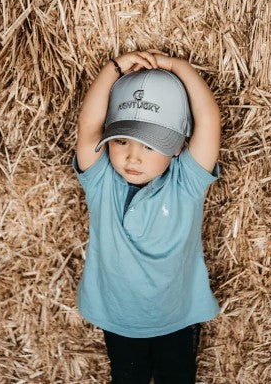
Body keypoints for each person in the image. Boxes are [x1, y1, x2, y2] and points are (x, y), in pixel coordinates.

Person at [73, 50, 221, 384]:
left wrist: (180, 68)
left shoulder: (187, 183)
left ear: (179, 146)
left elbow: (209, 121)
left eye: (150, 145)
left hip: (176, 319)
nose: (132, 156)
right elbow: (88, 125)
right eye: (121, 140)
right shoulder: (101, 180)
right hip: (120, 321)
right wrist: (112, 69)